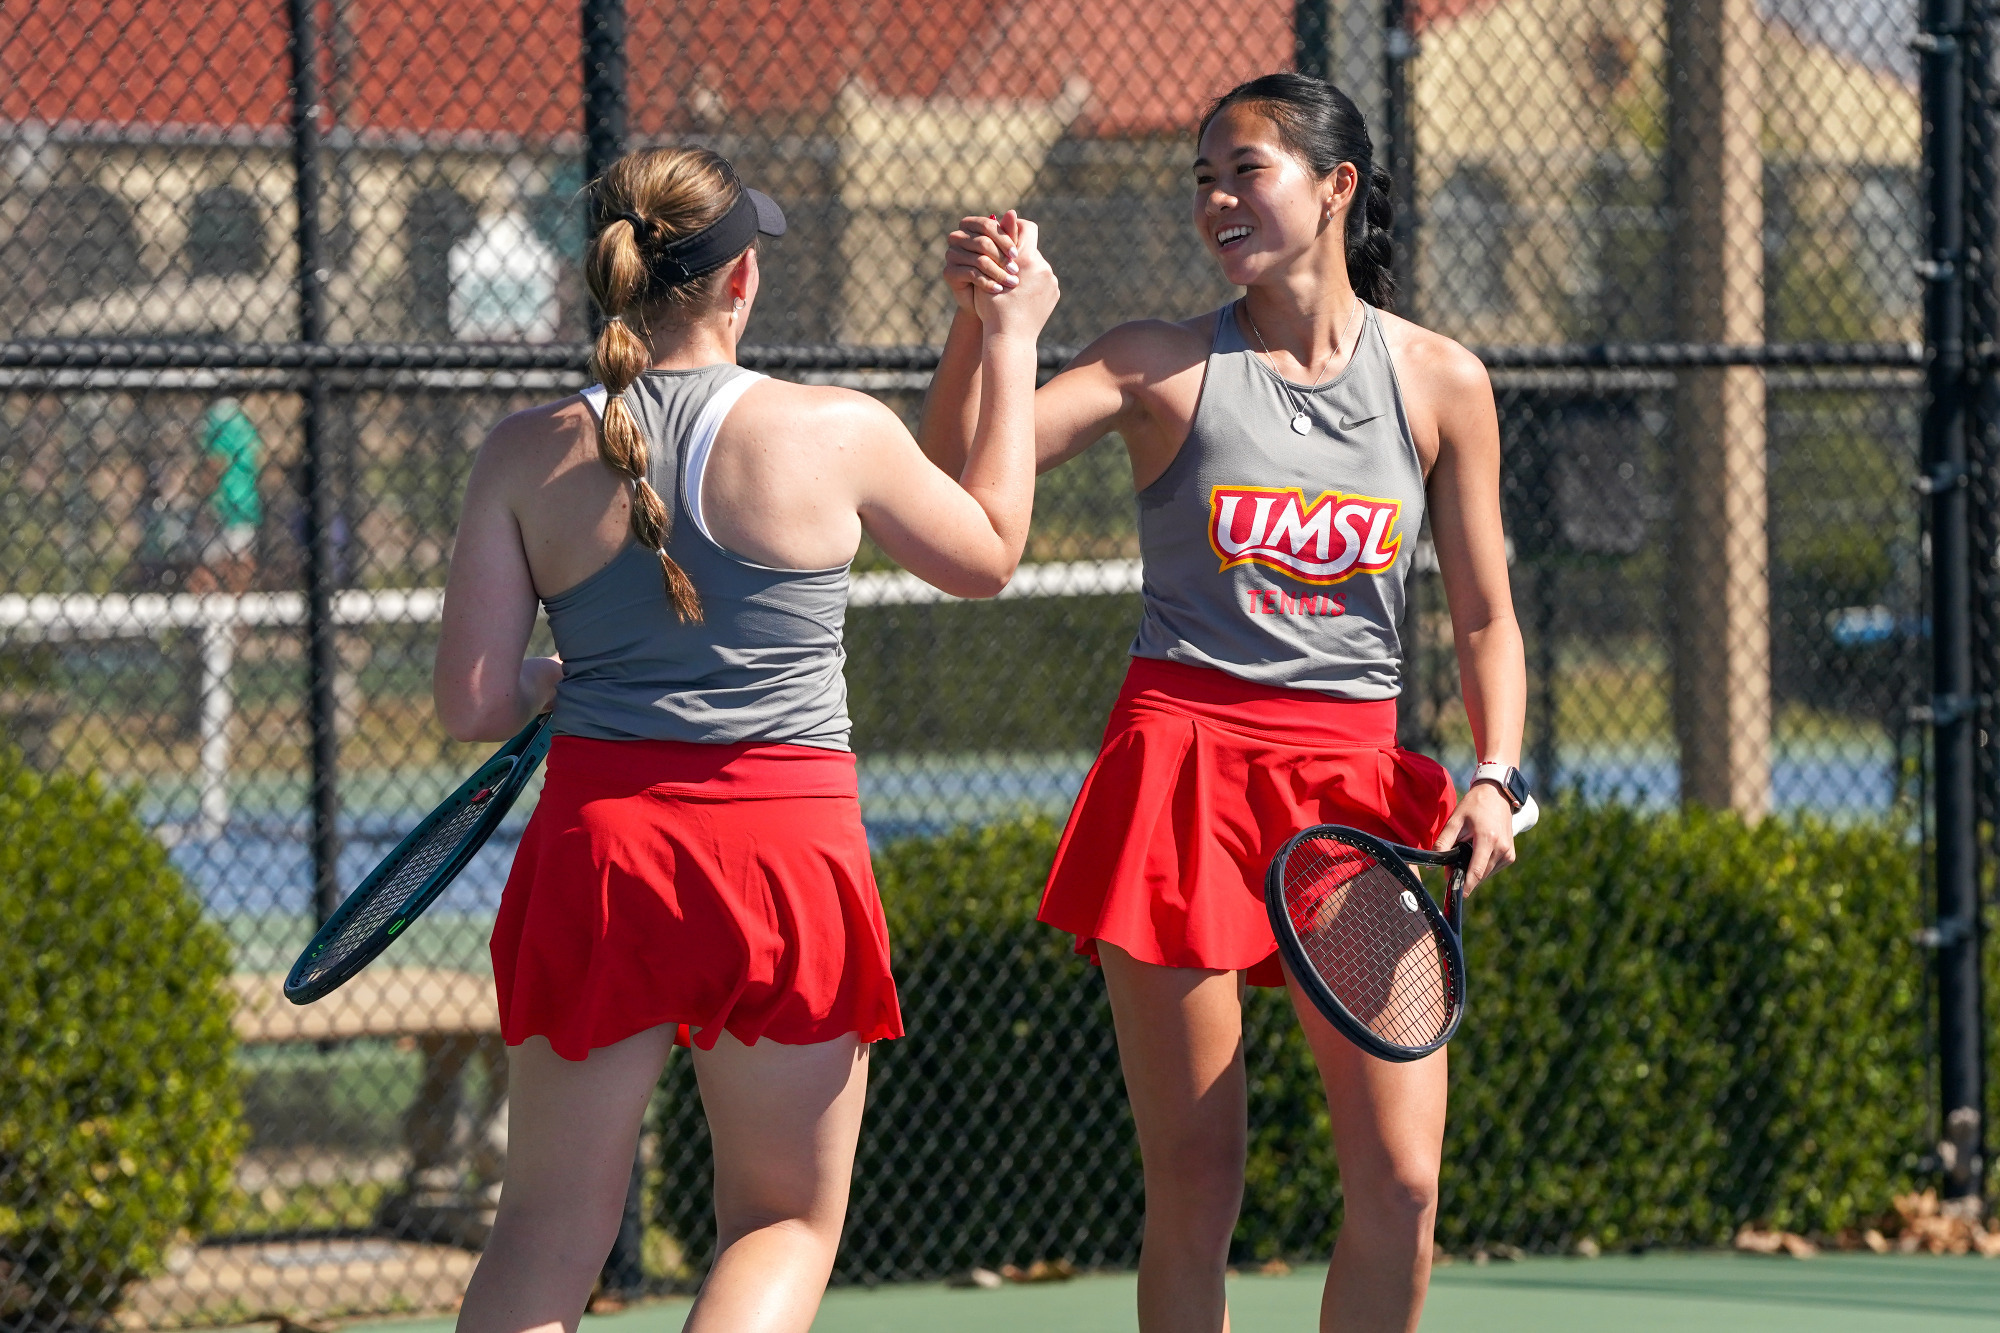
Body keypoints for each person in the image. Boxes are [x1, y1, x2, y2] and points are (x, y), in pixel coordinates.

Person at [921, 73, 1527, 1333]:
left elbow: (1481, 615)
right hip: (1179, 771)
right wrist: (984, 325)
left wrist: (1494, 772)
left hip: (1354, 791)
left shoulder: (1439, 382)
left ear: (1334, 189)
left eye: (1241, 169)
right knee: (1195, 1183)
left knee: (1404, 1182)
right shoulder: (1156, 364)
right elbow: (946, 482)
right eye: (1201, 176)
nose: (1214, 197)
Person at [433, 148, 1056, 1333]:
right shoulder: (835, 430)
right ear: (741, 279)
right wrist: (1011, 335)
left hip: (598, 852)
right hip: (784, 859)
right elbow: (989, 552)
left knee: (544, 1233)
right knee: (778, 1223)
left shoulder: (522, 450)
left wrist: (562, 674)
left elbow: (471, 703)